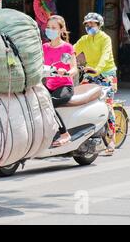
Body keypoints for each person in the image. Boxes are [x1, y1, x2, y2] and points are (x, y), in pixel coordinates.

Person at [74, 12, 117, 155]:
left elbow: (105, 56)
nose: (89, 26)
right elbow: (71, 51)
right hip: (90, 73)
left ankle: (111, 140)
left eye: (92, 24)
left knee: (107, 104)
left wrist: (98, 69)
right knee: (78, 99)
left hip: (106, 74)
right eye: (87, 24)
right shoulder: (84, 39)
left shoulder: (105, 39)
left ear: (99, 25)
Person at [43, 15, 78, 147]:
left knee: (48, 104)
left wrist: (67, 72)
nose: (50, 30)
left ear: (61, 30)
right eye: (48, 27)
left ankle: (64, 134)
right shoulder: (44, 47)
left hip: (64, 86)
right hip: (49, 85)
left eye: (53, 28)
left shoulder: (67, 48)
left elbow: (74, 69)